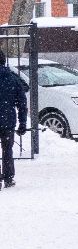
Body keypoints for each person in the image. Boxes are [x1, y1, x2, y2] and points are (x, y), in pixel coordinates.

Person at [0, 50, 27, 189]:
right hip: (7, 121)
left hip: (6, 118)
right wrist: (22, 123)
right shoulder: (12, 78)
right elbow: (22, 103)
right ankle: (8, 178)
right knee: (7, 150)